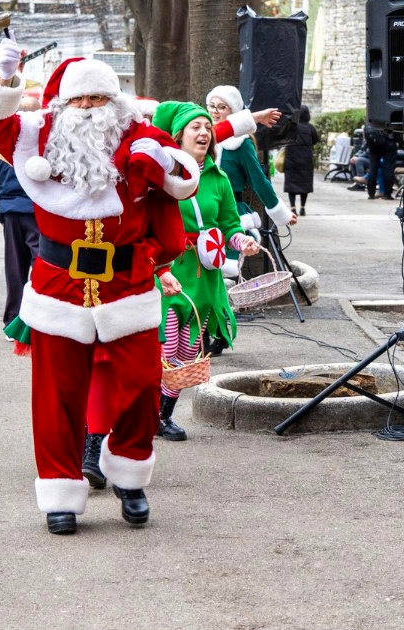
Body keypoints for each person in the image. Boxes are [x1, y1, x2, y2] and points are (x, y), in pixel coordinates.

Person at [0, 42, 263, 535]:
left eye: (96, 101)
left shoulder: (138, 132)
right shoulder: (40, 135)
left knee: (138, 388)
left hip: (128, 285)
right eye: (79, 102)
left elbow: (188, 165)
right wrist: (6, 78)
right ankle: (60, 491)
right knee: (56, 397)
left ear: (114, 103)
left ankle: (129, 474)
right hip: (58, 285)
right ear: (64, 105)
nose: (88, 111)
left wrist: (167, 163)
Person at [151, 101, 261, 443]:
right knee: (164, 350)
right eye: (195, 127)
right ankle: (142, 413)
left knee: (187, 355)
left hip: (205, 278)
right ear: (178, 135)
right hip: (168, 275)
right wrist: (158, 264)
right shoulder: (162, 177)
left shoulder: (220, 177)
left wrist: (242, 241)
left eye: (207, 127)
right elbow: (148, 226)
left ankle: (162, 416)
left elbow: (228, 224)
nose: (203, 132)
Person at [204, 85, 293, 356]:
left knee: (219, 275)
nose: (216, 112)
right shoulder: (201, 137)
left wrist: (282, 214)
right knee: (205, 275)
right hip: (204, 215)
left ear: (233, 111)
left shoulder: (241, 145)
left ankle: (217, 332)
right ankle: (208, 332)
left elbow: (259, 180)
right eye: (212, 106)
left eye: (222, 107)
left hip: (230, 215)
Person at [0, 96, 41, 331]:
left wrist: (0, 212)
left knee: (15, 269)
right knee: (43, 264)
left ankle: (12, 320)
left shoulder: (0, 146)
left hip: (11, 213)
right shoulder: (44, 144)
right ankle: (39, 318)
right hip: (39, 213)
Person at [282, 105, 319, 216]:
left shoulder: (291, 127)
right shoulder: (310, 128)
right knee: (304, 184)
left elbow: (283, 139)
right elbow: (315, 140)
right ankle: (303, 207)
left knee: (291, 184)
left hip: (291, 158)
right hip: (306, 159)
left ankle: (293, 208)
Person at [364, 123, 397, 200]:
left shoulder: (373, 111)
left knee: (373, 167)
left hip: (373, 140)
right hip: (388, 140)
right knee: (388, 168)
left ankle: (371, 193)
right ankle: (387, 193)